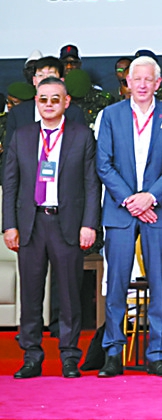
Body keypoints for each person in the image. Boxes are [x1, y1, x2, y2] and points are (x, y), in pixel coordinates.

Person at [94, 56, 162, 378]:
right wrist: (130, 199)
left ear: (158, 83)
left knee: (159, 283)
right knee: (117, 283)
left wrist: (150, 197)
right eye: (138, 79)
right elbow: (103, 163)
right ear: (128, 83)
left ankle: (157, 354)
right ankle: (113, 353)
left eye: (149, 79)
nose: (143, 84)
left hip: (158, 210)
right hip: (120, 210)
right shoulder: (110, 115)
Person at [3, 77, 100, 379]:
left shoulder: (82, 135)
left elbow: (91, 183)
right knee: (31, 294)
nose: (48, 104)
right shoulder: (22, 135)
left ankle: (69, 356)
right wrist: (9, 225)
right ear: (36, 101)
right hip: (30, 224)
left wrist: (89, 224)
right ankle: (31, 356)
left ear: (66, 102)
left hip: (67, 222)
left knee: (69, 293)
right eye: (43, 99)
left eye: (55, 99)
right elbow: (10, 184)